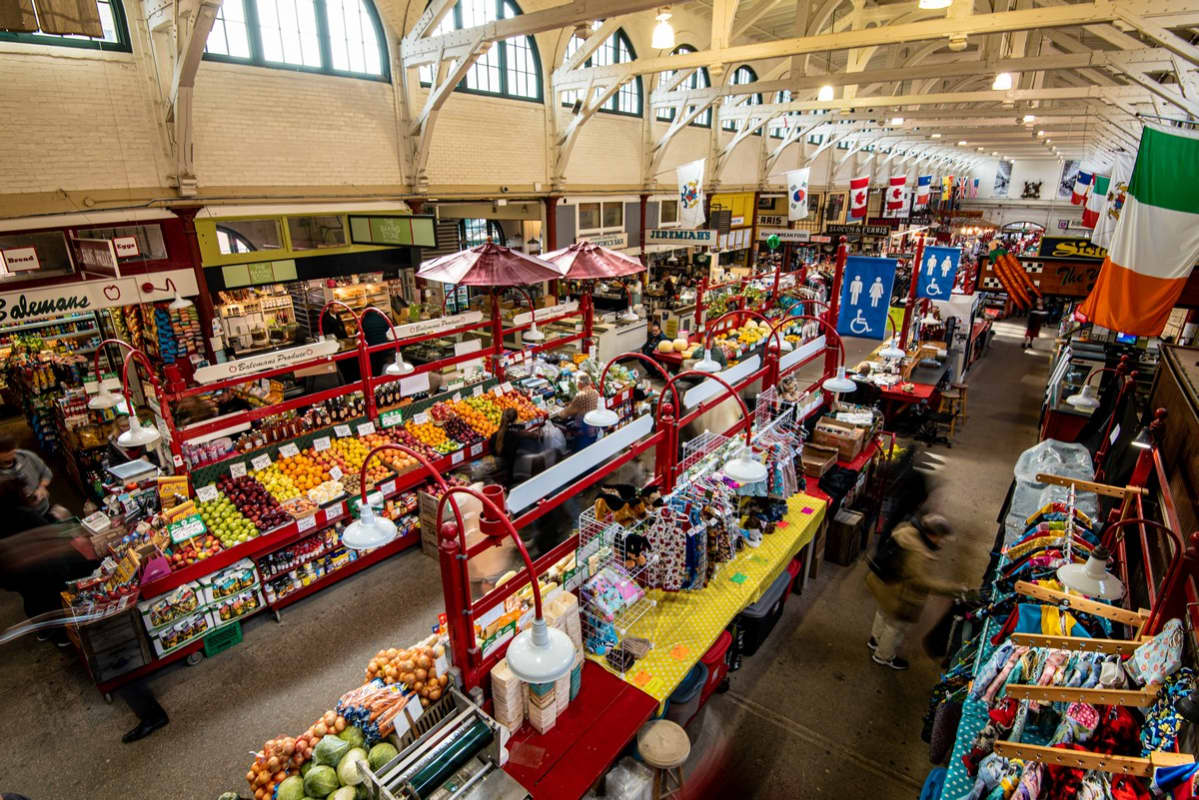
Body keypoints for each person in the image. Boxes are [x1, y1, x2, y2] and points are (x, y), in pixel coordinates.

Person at [865, 513, 969, 670]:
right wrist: (953, 589)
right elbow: (921, 581)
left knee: (882, 613)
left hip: (883, 583)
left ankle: (875, 639)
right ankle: (883, 655)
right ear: (932, 534)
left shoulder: (906, 531)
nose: (941, 542)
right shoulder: (919, 552)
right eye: (941, 537)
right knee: (895, 627)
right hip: (898, 594)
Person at [0, 435, 53, 518]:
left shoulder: (27, 456)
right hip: (19, 519)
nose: (11, 455)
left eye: (12, 451)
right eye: (6, 453)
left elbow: (46, 472)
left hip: (43, 509)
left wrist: (42, 487)